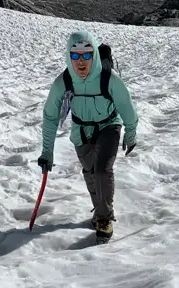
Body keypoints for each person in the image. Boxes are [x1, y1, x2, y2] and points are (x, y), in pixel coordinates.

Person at [38, 30, 138, 240]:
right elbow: (50, 115)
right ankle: (99, 210)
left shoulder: (108, 79)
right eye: (75, 56)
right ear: (68, 56)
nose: (81, 61)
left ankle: (104, 219)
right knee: (90, 173)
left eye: (87, 55)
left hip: (109, 126)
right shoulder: (64, 82)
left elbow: (126, 106)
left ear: (94, 56)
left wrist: (131, 133)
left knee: (102, 170)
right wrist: (47, 152)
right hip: (81, 131)